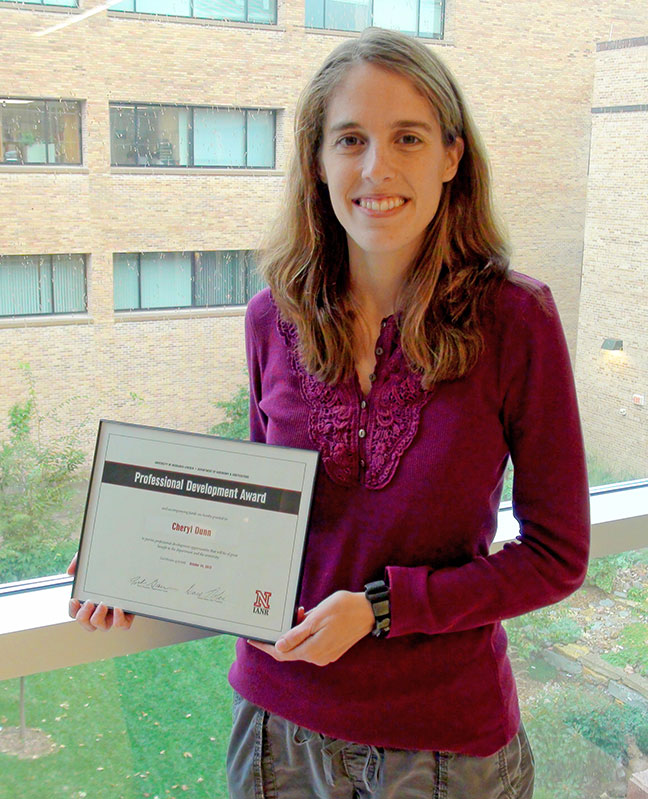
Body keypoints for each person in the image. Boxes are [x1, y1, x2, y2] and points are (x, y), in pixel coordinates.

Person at [70, 27, 590, 798]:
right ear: (317, 161)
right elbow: (259, 527)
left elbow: (556, 554)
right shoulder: (269, 318)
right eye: (350, 139)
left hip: (442, 746)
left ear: (451, 156)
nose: (376, 168)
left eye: (407, 137)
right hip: (275, 729)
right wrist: (133, 562)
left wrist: (381, 609)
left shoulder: (516, 321)